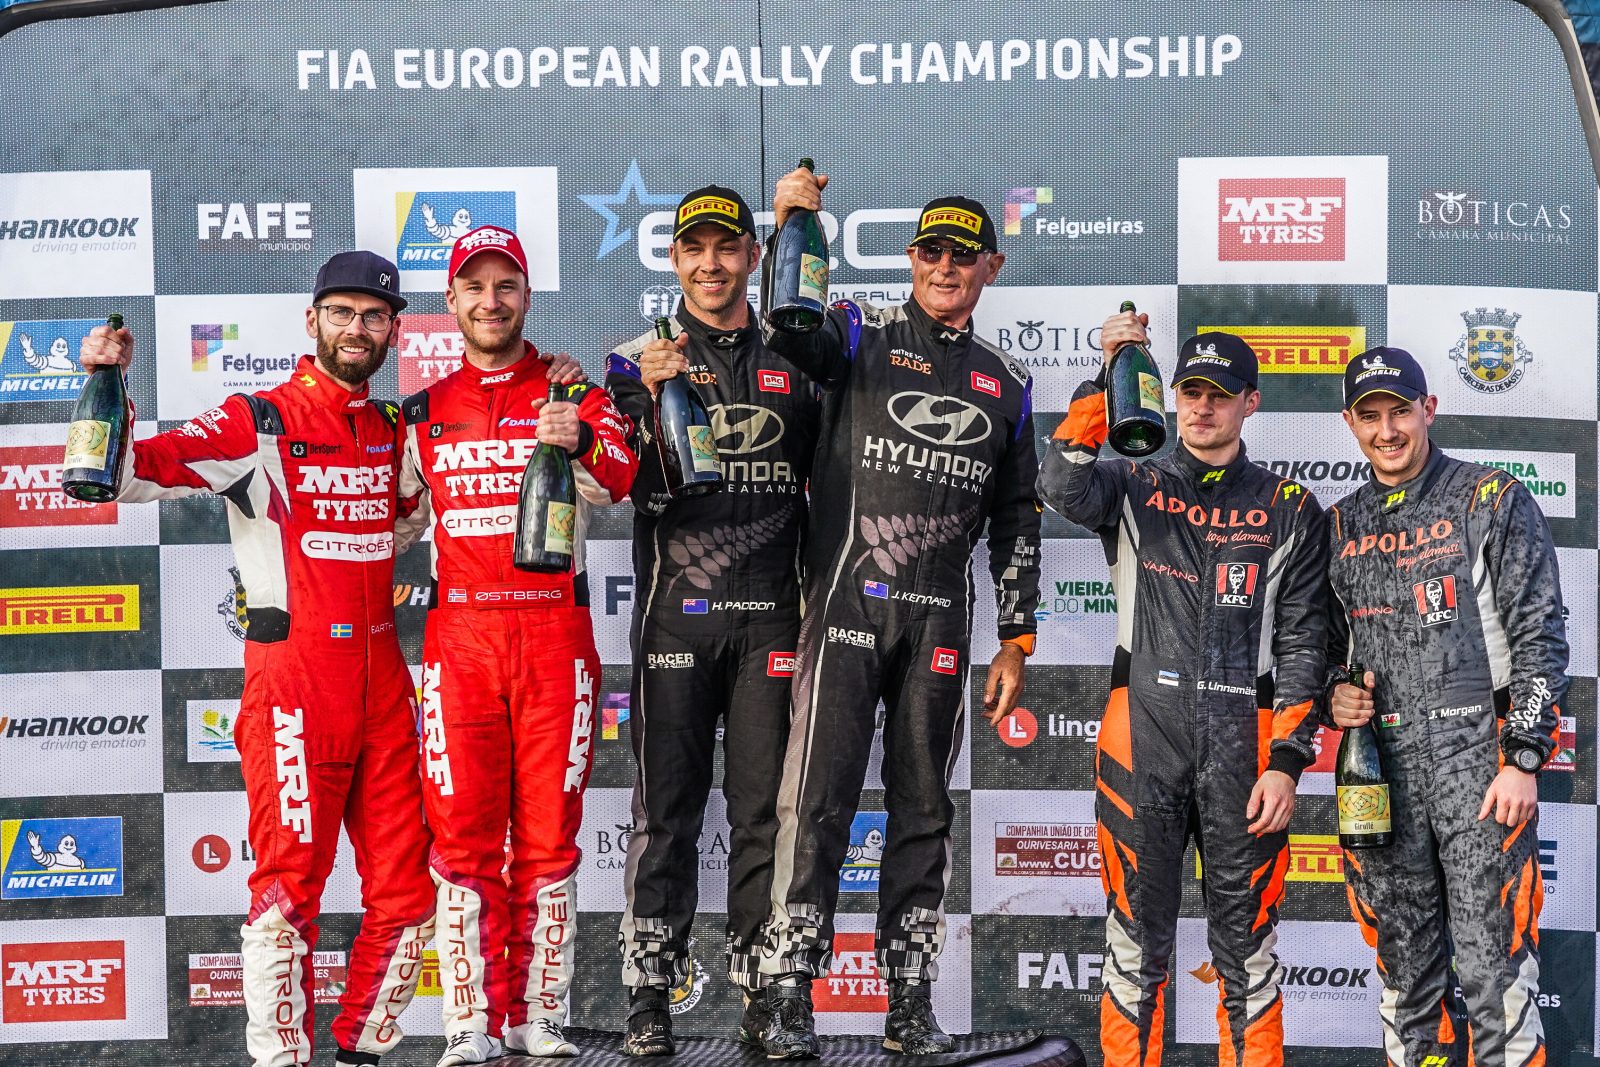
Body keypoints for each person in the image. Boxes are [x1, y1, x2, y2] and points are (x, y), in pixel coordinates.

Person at [78, 252, 435, 1067]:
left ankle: (361, 1053)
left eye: (374, 315)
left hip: (386, 686)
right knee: (285, 892)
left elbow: (407, 520)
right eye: (341, 312)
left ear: (393, 330)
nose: (357, 328)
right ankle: (279, 1060)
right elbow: (126, 474)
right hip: (296, 685)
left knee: (412, 896)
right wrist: (105, 382)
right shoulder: (259, 418)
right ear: (312, 321)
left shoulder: (392, 429)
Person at [755, 169, 1042, 1058]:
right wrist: (790, 223)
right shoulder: (858, 329)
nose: (945, 266)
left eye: (963, 254)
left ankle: (910, 1002)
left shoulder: (1008, 381)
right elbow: (790, 329)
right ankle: (788, 994)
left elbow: (1018, 513)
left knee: (923, 809)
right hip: (845, 607)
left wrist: (1018, 635)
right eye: (930, 251)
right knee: (818, 799)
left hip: (939, 623)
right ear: (912, 258)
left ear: (991, 266)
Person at [1037, 315, 1329, 1067]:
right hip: (1141, 731)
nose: (1203, 407)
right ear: (1171, 398)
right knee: (1135, 943)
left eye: (1220, 394)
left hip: (1247, 745)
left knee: (1248, 950)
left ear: (1250, 402)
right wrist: (1107, 372)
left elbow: (1305, 645)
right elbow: (1059, 482)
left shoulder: (1291, 505)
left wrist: (1287, 761)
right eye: (1191, 392)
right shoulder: (1133, 483)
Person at [396, 225, 637, 1066]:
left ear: (528, 296)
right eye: (475, 287)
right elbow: (388, 517)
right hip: (459, 641)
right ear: (451, 300)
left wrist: (581, 436)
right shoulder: (421, 411)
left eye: (506, 286)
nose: (490, 302)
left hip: (553, 634)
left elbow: (620, 479)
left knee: (549, 837)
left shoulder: (572, 391)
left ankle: (542, 1014)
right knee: (461, 837)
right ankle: (470, 1019)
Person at [604, 185, 822, 1056]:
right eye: (694, 249)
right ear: (673, 259)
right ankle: (648, 994)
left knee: (766, 811)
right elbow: (611, 478)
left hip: (773, 617)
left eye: (727, 247)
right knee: (667, 809)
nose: (711, 264)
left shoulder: (800, 355)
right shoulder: (634, 359)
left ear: (755, 257)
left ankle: (764, 995)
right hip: (676, 620)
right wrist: (635, 399)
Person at [1325, 347, 1567, 1067]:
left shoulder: (1491, 498)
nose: (1387, 430)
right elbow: (1319, 653)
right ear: (1349, 423)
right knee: (1405, 977)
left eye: (1400, 411)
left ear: (1428, 410)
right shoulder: (1337, 526)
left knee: (1495, 972)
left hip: (1481, 764)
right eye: (1370, 416)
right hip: (1380, 777)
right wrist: (1334, 695)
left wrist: (1523, 757)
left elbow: (1540, 635)